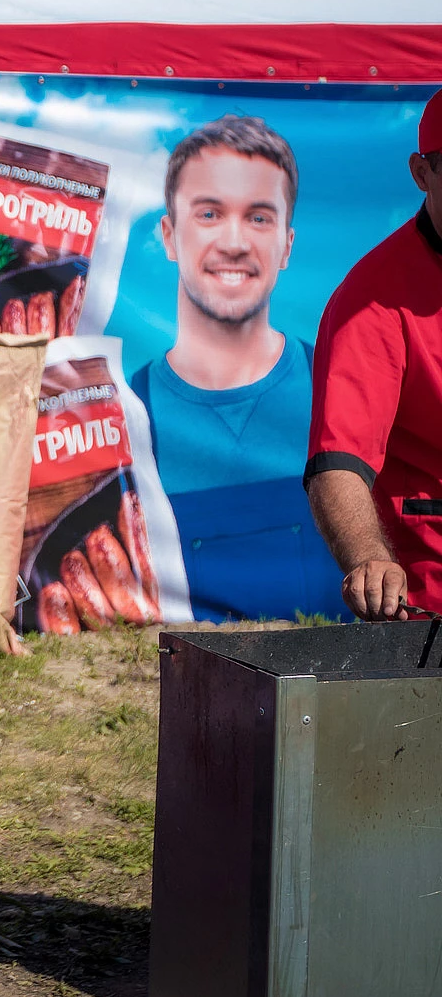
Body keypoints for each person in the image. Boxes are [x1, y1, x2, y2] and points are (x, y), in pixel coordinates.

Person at [128, 116, 336, 619]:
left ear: (287, 244)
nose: (235, 242)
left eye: (259, 217)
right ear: (169, 235)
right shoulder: (122, 418)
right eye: (209, 214)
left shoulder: (338, 388)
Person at [305, 89, 442, 621]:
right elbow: (339, 461)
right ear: (422, 173)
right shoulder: (373, 299)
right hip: (430, 608)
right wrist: (368, 558)